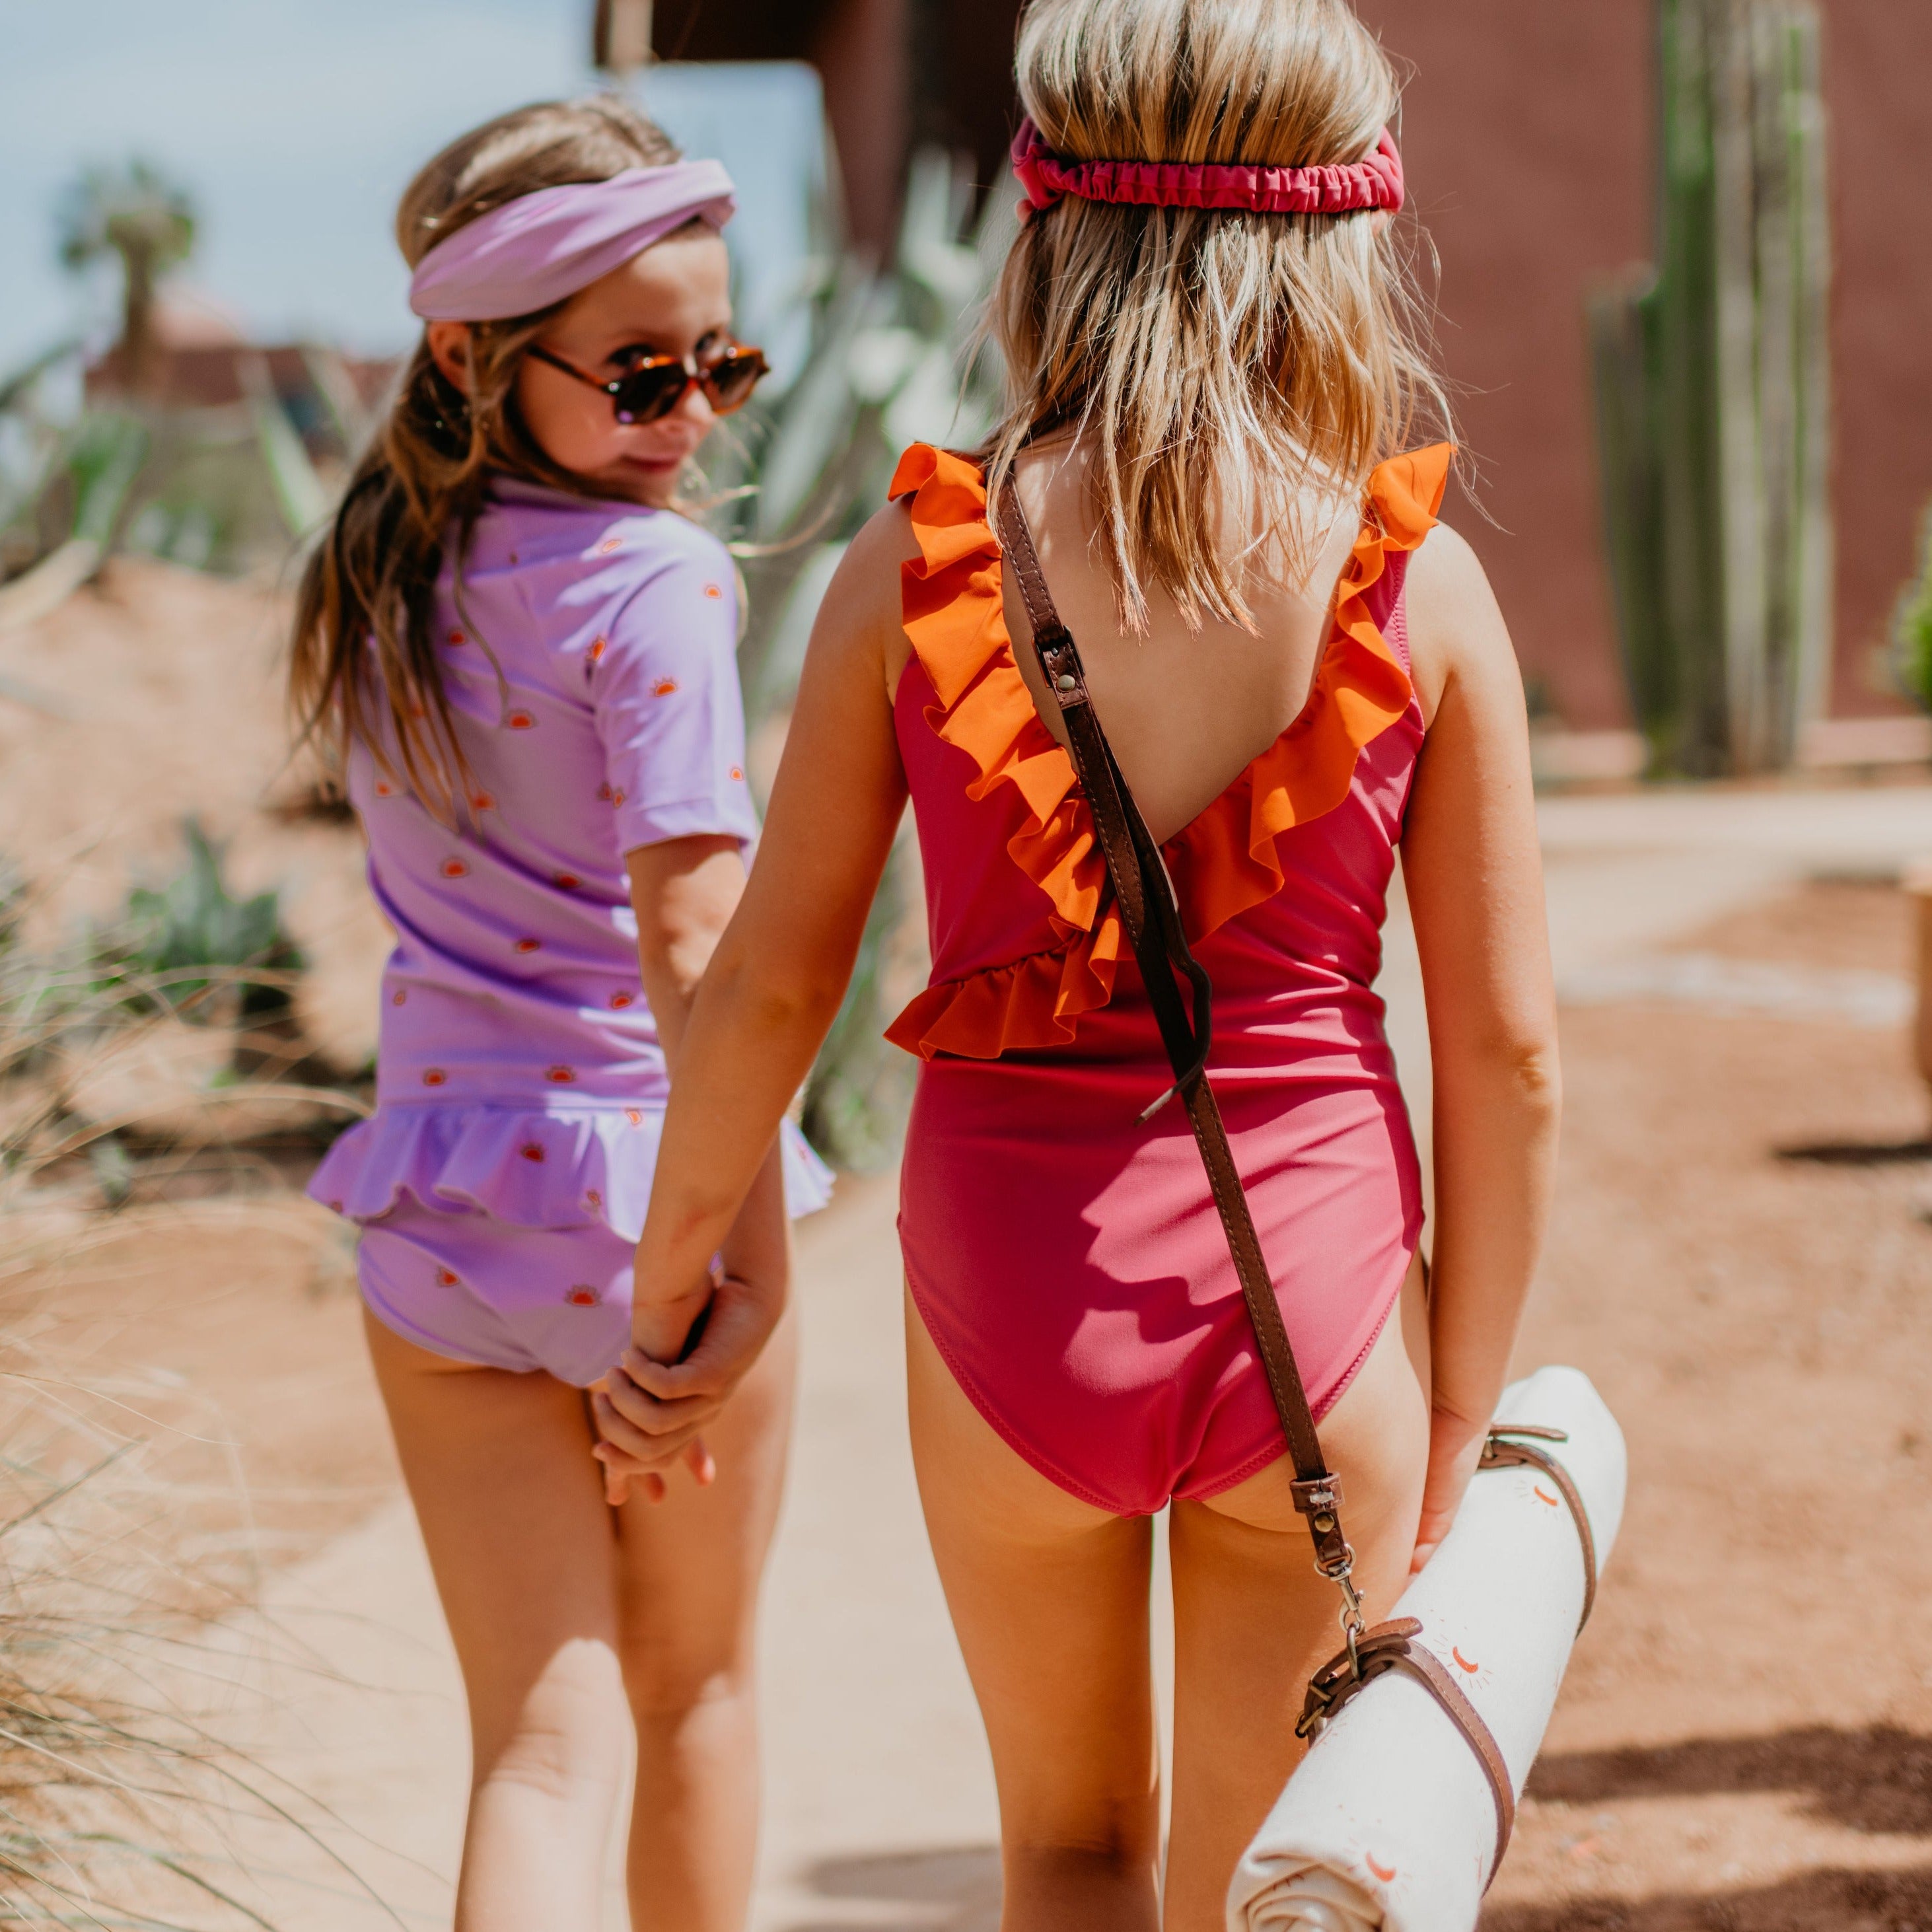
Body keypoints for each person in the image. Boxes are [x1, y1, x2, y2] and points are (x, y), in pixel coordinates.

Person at [597, 0, 1560, 1924]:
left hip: (1005, 1299)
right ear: (1339, 249)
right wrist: (1456, 1417)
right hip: (1318, 1307)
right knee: (1249, 1876)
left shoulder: (926, 565)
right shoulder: (1419, 582)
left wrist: (667, 1301)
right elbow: (1510, 1053)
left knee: (1061, 1848)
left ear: (1047, 235)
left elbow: (773, 989)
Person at [289, 96, 830, 1932]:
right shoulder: (659, 583)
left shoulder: (379, 576)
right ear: (474, 356)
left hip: (435, 1212)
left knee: (536, 1744)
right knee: (700, 1694)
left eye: (723, 366)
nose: (688, 416)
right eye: (641, 375)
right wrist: (738, 1265)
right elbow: (700, 957)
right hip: (640, 1209)